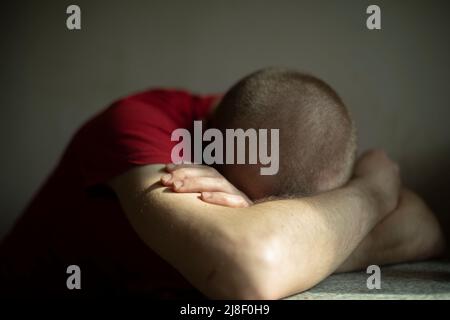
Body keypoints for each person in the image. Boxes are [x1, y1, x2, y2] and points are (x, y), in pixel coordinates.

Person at [0, 68, 445, 299]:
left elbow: (426, 228)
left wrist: (311, 243)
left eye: (286, 212)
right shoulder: (137, 126)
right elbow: (249, 272)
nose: (274, 224)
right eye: (252, 206)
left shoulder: (310, 157)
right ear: (205, 146)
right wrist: (372, 194)